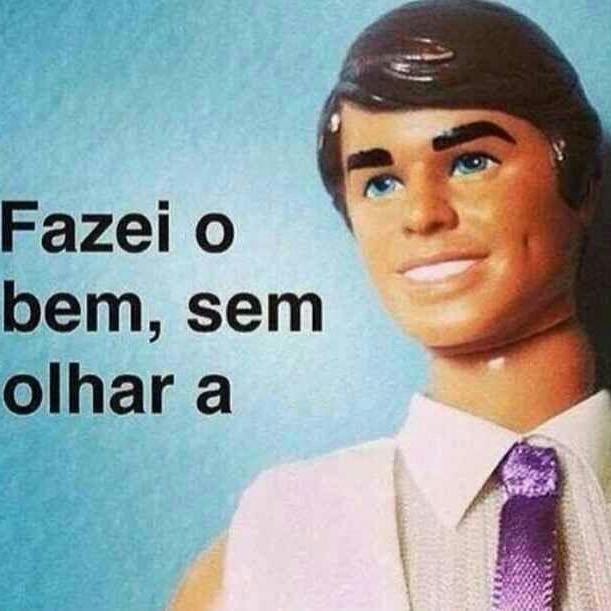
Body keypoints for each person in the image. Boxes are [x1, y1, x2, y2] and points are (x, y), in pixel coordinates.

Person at [171, 0, 609, 608]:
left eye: (471, 162)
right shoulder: (268, 553)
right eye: (380, 183)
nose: (422, 215)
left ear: (581, 180)